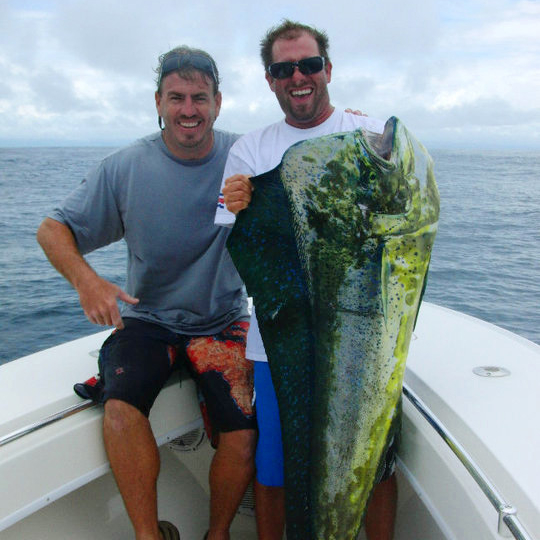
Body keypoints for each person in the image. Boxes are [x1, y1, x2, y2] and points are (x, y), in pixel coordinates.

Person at [36, 46, 257, 540]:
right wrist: (86, 280)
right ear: (158, 101)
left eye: (199, 97)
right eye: (176, 97)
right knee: (119, 410)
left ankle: (216, 533)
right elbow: (53, 230)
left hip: (222, 321)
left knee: (243, 434)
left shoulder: (248, 157)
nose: (188, 110)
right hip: (148, 320)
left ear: (218, 102)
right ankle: (147, 535)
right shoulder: (125, 166)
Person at [215, 20, 399, 540]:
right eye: (283, 68)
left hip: (361, 339)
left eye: (309, 64)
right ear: (270, 79)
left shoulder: (366, 137)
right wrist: (241, 207)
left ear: (328, 70)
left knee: (376, 461)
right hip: (280, 341)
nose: (299, 76)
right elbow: (238, 247)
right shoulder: (249, 153)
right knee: (274, 467)